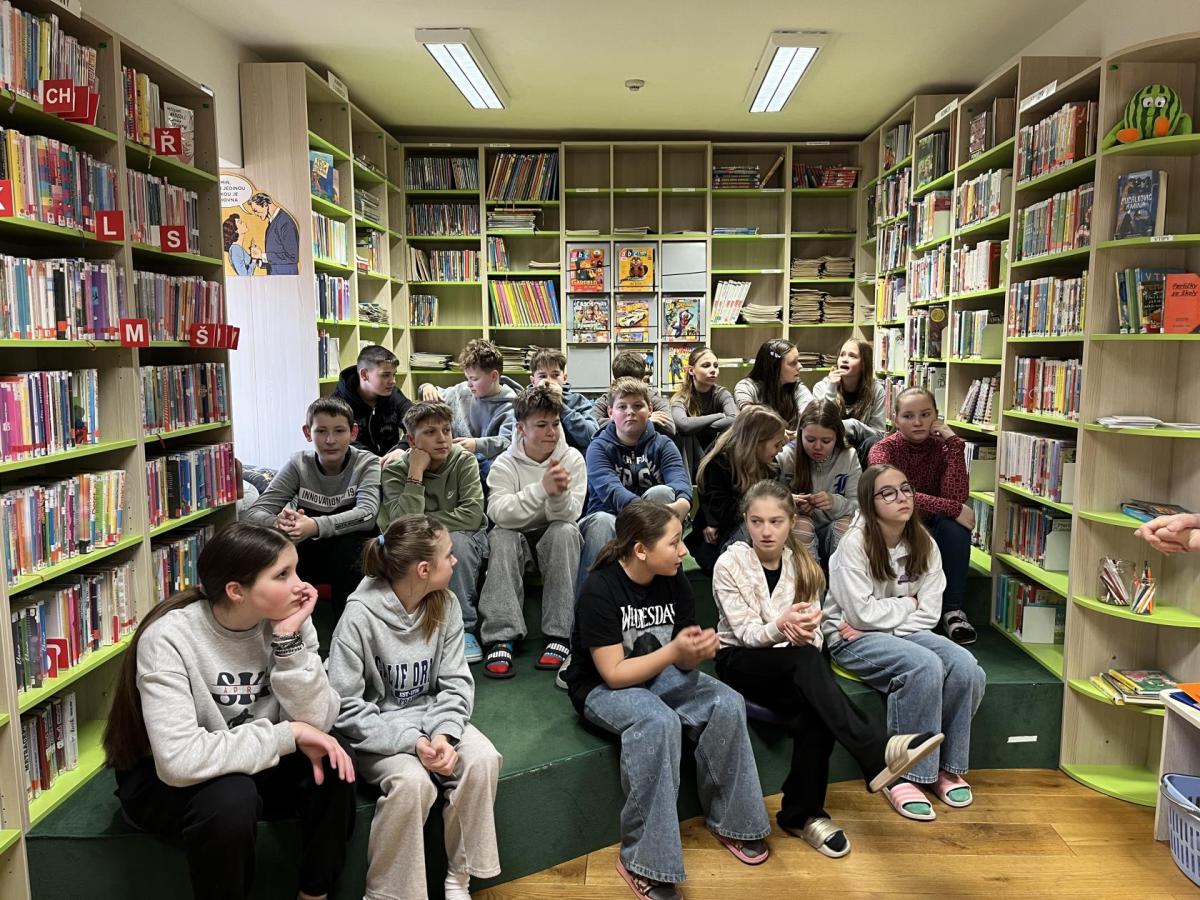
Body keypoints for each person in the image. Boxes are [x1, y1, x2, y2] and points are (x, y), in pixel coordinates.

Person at [102, 523, 357, 900]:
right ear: (236, 591)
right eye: (283, 575)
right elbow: (178, 761)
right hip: (169, 782)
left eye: (297, 570)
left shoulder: (290, 622)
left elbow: (318, 722)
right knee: (233, 796)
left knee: (335, 757)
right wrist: (287, 735)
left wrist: (288, 643)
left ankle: (314, 894)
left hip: (251, 761)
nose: (301, 586)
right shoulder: (169, 638)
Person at [713, 480, 943, 855]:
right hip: (740, 661)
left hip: (792, 662)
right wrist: (783, 626)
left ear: (791, 522)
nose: (766, 531)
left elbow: (816, 633)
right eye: (756, 522)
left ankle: (802, 815)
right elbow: (748, 634)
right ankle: (875, 750)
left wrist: (805, 634)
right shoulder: (730, 563)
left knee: (815, 704)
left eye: (775, 521)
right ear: (746, 521)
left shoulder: (802, 565)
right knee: (806, 663)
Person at [560, 501, 771, 900]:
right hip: (601, 688)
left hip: (659, 672)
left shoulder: (674, 578)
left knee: (726, 702)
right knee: (658, 722)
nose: (684, 550)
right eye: (674, 542)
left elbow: (682, 659)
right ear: (641, 550)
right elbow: (613, 673)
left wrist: (695, 651)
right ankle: (643, 861)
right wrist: (675, 652)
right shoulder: (600, 589)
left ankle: (734, 822)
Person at [328, 515, 501, 900]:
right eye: (449, 555)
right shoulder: (358, 616)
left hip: (431, 719)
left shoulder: (446, 604)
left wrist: (443, 735)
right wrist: (413, 742)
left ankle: (458, 880)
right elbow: (345, 707)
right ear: (424, 569)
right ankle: (386, 895)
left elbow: (456, 683)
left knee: (483, 759)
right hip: (378, 731)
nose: (455, 561)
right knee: (412, 783)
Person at [824, 465, 986, 821]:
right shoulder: (853, 545)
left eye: (906, 489)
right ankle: (902, 772)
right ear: (869, 502)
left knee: (967, 668)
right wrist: (905, 605)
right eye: (888, 493)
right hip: (848, 638)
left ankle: (947, 767)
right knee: (924, 666)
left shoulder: (924, 543)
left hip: (893, 632)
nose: (902, 498)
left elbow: (929, 613)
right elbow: (859, 614)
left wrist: (885, 625)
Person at [478, 384, 586, 678]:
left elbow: (570, 514)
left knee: (565, 531)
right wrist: (541, 490)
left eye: (555, 423)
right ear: (521, 428)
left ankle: (559, 635)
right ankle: (501, 637)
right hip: (517, 543)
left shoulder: (572, 459)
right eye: (541, 425)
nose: (551, 432)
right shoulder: (504, 464)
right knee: (500, 535)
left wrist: (557, 495)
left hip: (554, 541)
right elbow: (499, 513)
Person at [243, 396, 379, 624]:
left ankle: (348, 632)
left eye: (339, 431)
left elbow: (367, 514)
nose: (330, 440)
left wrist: (315, 526)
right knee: (279, 554)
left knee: (348, 552)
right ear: (308, 433)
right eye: (321, 431)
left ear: (353, 432)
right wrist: (281, 524)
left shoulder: (367, 463)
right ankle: (288, 631)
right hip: (310, 548)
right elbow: (254, 513)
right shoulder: (298, 464)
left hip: (354, 549)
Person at [379, 402, 489, 664]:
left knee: (456, 543)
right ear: (411, 440)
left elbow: (472, 515)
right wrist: (415, 473)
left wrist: (422, 523)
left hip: (465, 538)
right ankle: (409, 628)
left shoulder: (463, 460)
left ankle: (464, 629)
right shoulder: (395, 470)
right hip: (417, 544)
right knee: (397, 549)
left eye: (446, 430)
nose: (442, 439)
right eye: (430, 432)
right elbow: (400, 526)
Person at [868, 387, 976, 645]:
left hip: (932, 521)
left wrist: (955, 446)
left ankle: (952, 611)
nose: (917, 422)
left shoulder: (943, 448)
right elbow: (894, 496)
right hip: (894, 522)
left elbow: (957, 495)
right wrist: (953, 509)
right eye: (908, 416)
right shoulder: (882, 451)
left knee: (955, 529)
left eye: (925, 414)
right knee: (952, 516)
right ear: (896, 419)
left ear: (936, 416)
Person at [578, 377, 692, 594]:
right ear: (610, 413)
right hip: (609, 518)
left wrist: (684, 503)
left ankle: (663, 599)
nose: (630, 412)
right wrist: (653, 515)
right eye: (622, 407)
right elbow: (612, 491)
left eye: (638, 406)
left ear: (650, 410)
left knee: (662, 492)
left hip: (652, 525)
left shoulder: (663, 444)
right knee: (601, 522)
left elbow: (680, 481)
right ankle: (589, 606)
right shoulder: (598, 447)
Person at [687, 406, 788, 574]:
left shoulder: (770, 466)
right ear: (756, 443)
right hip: (721, 541)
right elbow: (721, 514)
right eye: (777, 445)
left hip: (744, 533)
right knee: (755, 522)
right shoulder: (720, 465)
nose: (781, 450)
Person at [418, 338, 519, 476]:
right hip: (456, 464)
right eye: (467, 378)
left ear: (494, 376)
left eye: (474, 379)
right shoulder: (462, 391)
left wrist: (476, 445)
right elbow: (436, 394)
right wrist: (427, 387)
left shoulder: (511, 406)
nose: (469, 384)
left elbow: (508, 440)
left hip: (489, 469)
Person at [778, 400, 861, 562]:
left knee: (846, 527)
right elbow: (767, 502)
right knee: (801, 525)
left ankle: (841, 575)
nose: (817, 447)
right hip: (799, 531)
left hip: (833, 529)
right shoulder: (785, 456)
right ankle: (810, 576)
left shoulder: (848, 456)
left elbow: (859, 508)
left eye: (826, 441)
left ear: (837, 437)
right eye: (810, 439)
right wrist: (789, 504)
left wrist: (834, 502)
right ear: (800, 433)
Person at [335, 345, 415, 465]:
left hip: (392, 465)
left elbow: (417, 421)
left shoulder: (393, 394)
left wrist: (402, 448)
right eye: (385, 375)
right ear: (364, 375)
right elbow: (342, 440)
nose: (393, 381)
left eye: (394, 374)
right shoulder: (337, 403)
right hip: (357, 467)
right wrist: (373, 460)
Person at [812, 338, 887, 466]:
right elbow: (823, 424)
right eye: (842, 355)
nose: (845, 359)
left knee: (874, 443)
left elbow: (879, 435)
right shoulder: (822, 387)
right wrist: (831, 389)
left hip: (861, 449)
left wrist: (854, 426)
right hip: (831, 447)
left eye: (852, 356)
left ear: (863, 364)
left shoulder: (876, 390)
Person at [669, 346, 737, 479]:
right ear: (691, 370)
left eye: (716, 366)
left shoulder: (722, 394)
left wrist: (696, 426)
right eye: (706, 365)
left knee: (731, 432)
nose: (713, 370)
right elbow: (684, 425)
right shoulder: (681, 398)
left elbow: (734, 419)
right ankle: (687, 485)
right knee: (685, 435)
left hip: (716, 451)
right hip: (691, 455)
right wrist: (719, 416)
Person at [523, 347, 599, 454]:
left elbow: (593, 438)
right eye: (542, 376)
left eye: (555, 375)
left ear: (564, 378)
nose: (549, 381)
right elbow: (517, 438)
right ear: (533, 381)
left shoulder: (578, 401)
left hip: (572, 460)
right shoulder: (523, 402)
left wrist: (561, 406)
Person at [733, 338, 814, 432]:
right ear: (774, 367)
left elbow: (809, 411)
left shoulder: (797, 387)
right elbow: (750, 416)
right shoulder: (746, 386)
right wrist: (778, 433)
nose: (800, 366)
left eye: (798, 361)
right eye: (793, 363)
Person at [592, 349, 677, 436]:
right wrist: (645, 419)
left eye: (638, 406)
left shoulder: (651, 397)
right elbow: (593, 427)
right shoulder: (605, 400)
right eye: (622, 407)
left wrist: (618, 419)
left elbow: (670, 428)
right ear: (643, 377)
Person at [245, 191, 300, 275]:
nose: (256, 214)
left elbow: (292, 257)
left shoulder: (285, 221)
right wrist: (259, 259)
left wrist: (262, 255)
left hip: (286, 277)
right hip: (277, 277)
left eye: (256, 210)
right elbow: (277, 259)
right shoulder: (273, 222)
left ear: (265, 205)